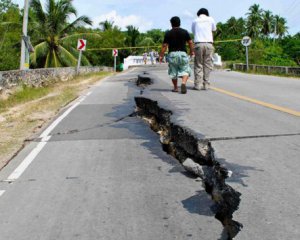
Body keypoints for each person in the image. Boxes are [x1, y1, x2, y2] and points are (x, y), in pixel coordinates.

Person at [159, 16, 194, 94]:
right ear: (180, 23)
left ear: (171, 24)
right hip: (182, 54)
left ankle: (175, 88)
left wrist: (161, 55)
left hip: (172, 54)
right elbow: (190, 42)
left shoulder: (168, 33)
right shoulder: (185, 32)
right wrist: (192, 51)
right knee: (185, 70)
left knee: (173, 72)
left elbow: (164, 46)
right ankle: (183, 83)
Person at [192, 8, 216, 90]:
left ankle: (198, 85)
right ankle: (206, 84)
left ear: (198, 14)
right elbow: (213, 30)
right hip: (209, 44)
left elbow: (194, 32)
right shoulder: (211, 19)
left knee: (198, 64)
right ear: (207, 13)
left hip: (198, 44)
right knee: (207, 64)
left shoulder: (195, 20)